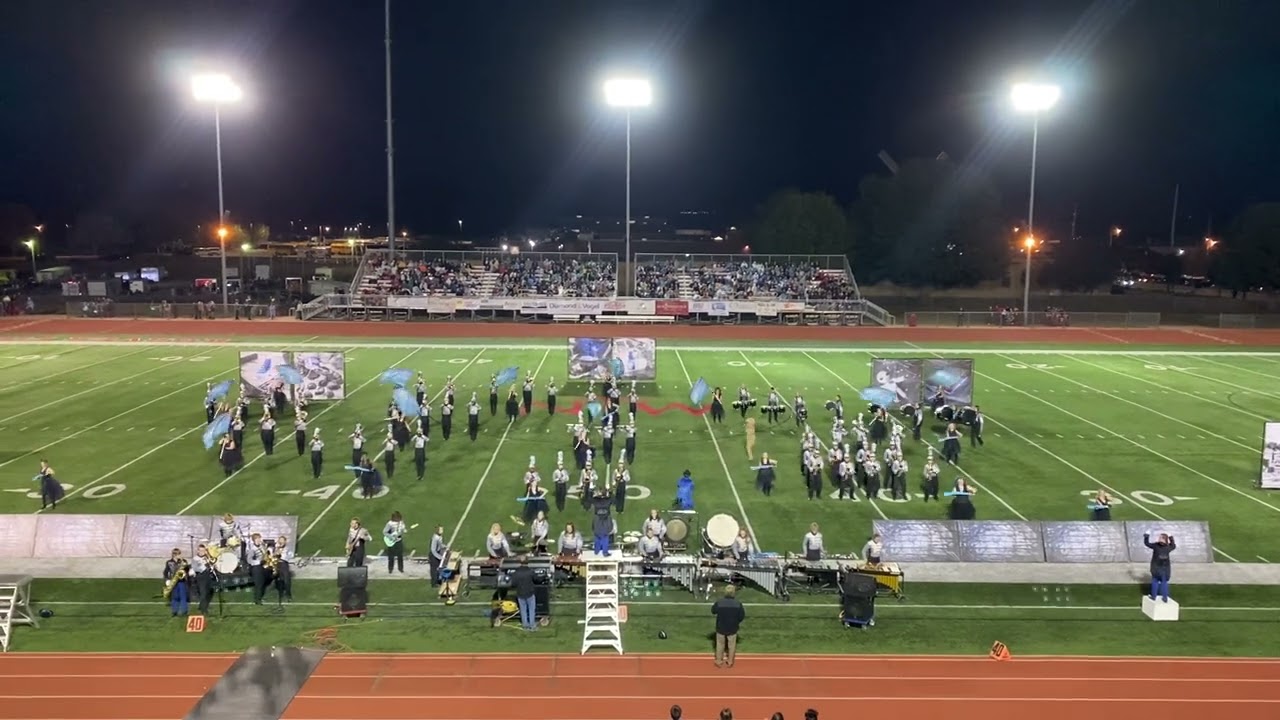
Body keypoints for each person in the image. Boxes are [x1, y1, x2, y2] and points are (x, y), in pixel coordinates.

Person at [711, 585, 745, 668]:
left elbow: (713, 611)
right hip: (732, 627)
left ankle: (719, 660)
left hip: (721, 626)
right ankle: (730, 661)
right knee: (731, 645)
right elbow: (741, 616)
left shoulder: (720, 602)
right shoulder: (738, 603)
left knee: (720, 644)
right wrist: (736, 621)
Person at [1144, 532, 1176, 602]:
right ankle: (1165, 597)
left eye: (1160, 537)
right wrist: (1171, 537)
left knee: (1155, 581)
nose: (1158, 538)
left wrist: (1146, 536)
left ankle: (1153, 596)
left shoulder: (1156, 546)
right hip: (1165, 568)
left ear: (1163, 539)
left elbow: (1147, 543)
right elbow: (1173, 546)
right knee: (1164, 582)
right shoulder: (1168, 547)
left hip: (1156, 567)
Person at [510, 555, 538, 631]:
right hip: (530, 592)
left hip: (520, 593)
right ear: (527, 562)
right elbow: (536, 579)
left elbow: (513, 584)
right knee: (531, 609)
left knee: (523, 610)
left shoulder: (516, 572)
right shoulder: (530, 571)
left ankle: (525, 625)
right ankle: (532, 625)